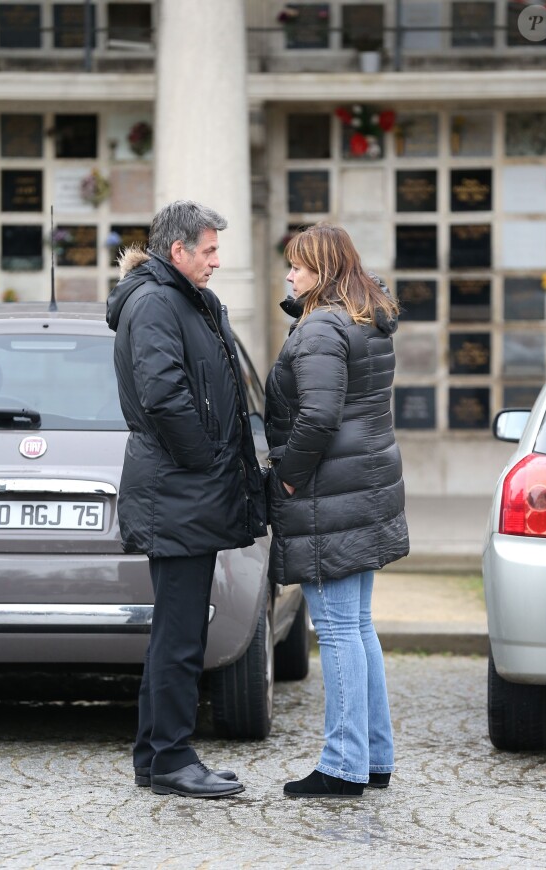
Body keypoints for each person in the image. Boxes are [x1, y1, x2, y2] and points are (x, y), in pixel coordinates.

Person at [106, 200, 267, 799]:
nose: (217, 261)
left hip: (183, 489)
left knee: (176, 629)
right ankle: (172, 757)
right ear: (178, 251)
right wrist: (206, 460)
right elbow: (163, 394)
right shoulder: (155, 303)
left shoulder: (182, 298)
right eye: (209, 250)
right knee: (180, 633)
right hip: (178, 488)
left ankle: (153, 754)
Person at [264, 223, 409, 798]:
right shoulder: (365, 316)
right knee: (357, 626)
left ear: (323, 269)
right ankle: (374, 755)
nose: (290, 275)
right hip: (364, 487)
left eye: (298, 266)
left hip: (330, 494)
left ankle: (344, 764)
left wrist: (289, 477)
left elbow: (319, 417)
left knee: (340, 629)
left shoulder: (324, 324)